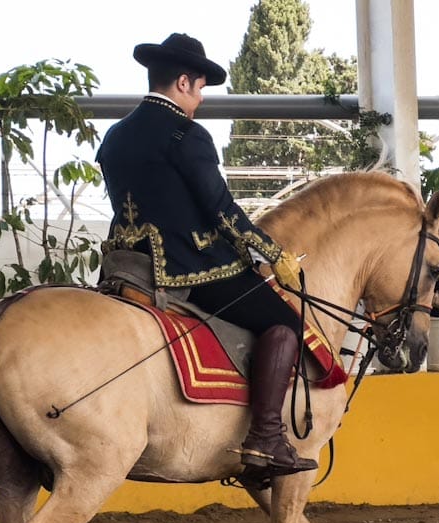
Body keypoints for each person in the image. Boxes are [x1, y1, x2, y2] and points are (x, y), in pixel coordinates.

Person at [95, 33, 316, 478]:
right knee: (286, 322)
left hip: (125, 264)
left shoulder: (116, 135)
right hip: (186, 270)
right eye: (199, 89)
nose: (199, 99)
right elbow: (221, 210)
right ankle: (265, 439)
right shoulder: (186, 134)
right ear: (182, 82)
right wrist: (275, 254)